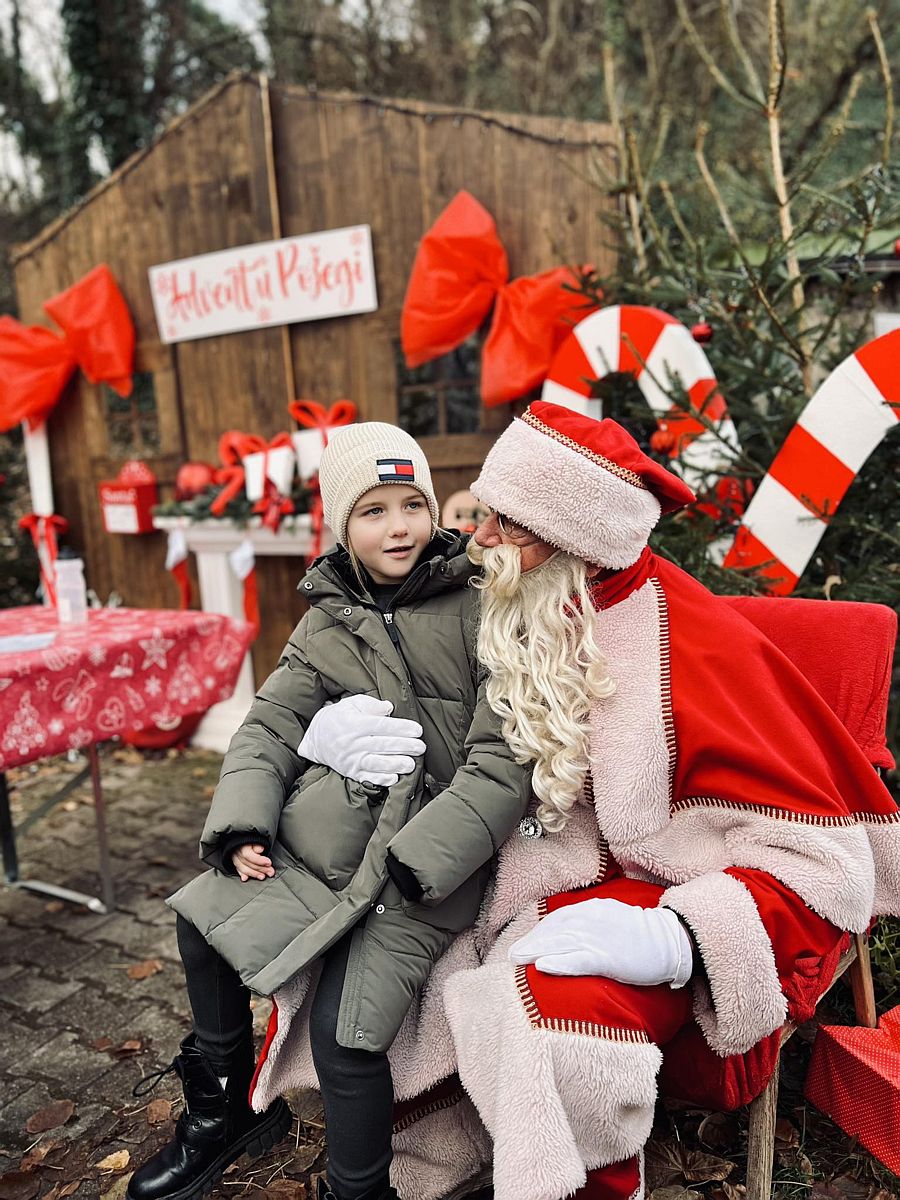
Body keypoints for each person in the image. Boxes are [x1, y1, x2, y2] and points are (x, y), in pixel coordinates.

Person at [281, 400, 900, 1200]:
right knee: (370, 956)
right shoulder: (521, 599)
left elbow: (822, 857)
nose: (479, 537)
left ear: (572, 536)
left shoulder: (692, 645)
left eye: (506, 522)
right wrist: (322, 733)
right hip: (528, 864)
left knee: (543, 1016)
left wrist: (676, 935)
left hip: (672, 880)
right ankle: (414, 1161)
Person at [126, 422, 530, 1200]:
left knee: (344, 1036)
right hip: (335, 837)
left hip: (427, 867)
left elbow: (502, 759)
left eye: (412, 504)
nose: (399, 526)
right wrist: (244, 824)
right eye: (373, 511)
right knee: (202, 919)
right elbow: (269, 726)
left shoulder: (482, 607)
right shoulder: (327, 618)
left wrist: (424, 861)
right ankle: (226, 1108)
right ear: (342, 525)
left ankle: (359, 1188)